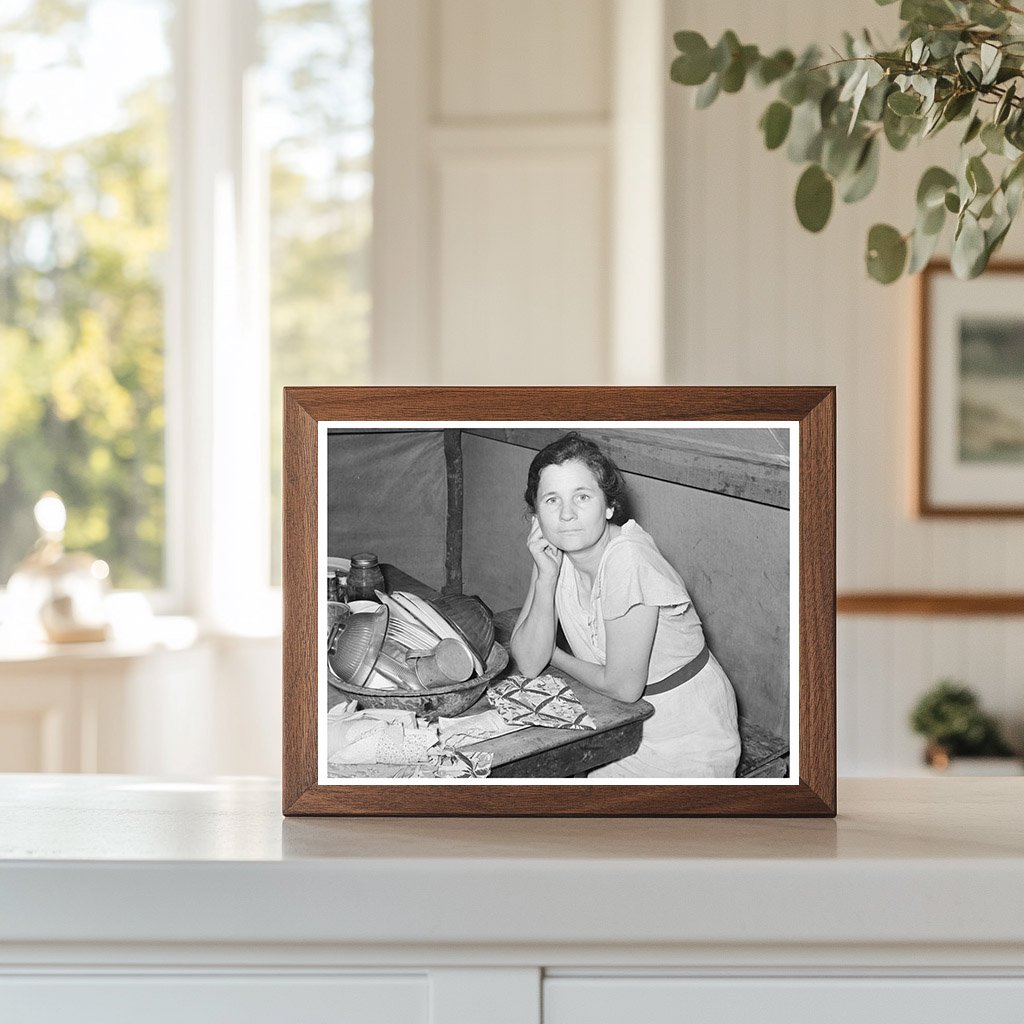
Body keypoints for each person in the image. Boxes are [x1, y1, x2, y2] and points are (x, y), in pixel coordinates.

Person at [510, 432, 741, 778]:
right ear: (536, 516)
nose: (567, 514)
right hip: (620, 727)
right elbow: (529, 662)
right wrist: (545, 578)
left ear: (608, 506)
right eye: (552, 500)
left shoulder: (628, 560)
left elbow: (623, 687)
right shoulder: (555, 553)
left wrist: (553, 655)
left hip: (685, 737)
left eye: (582, 497)